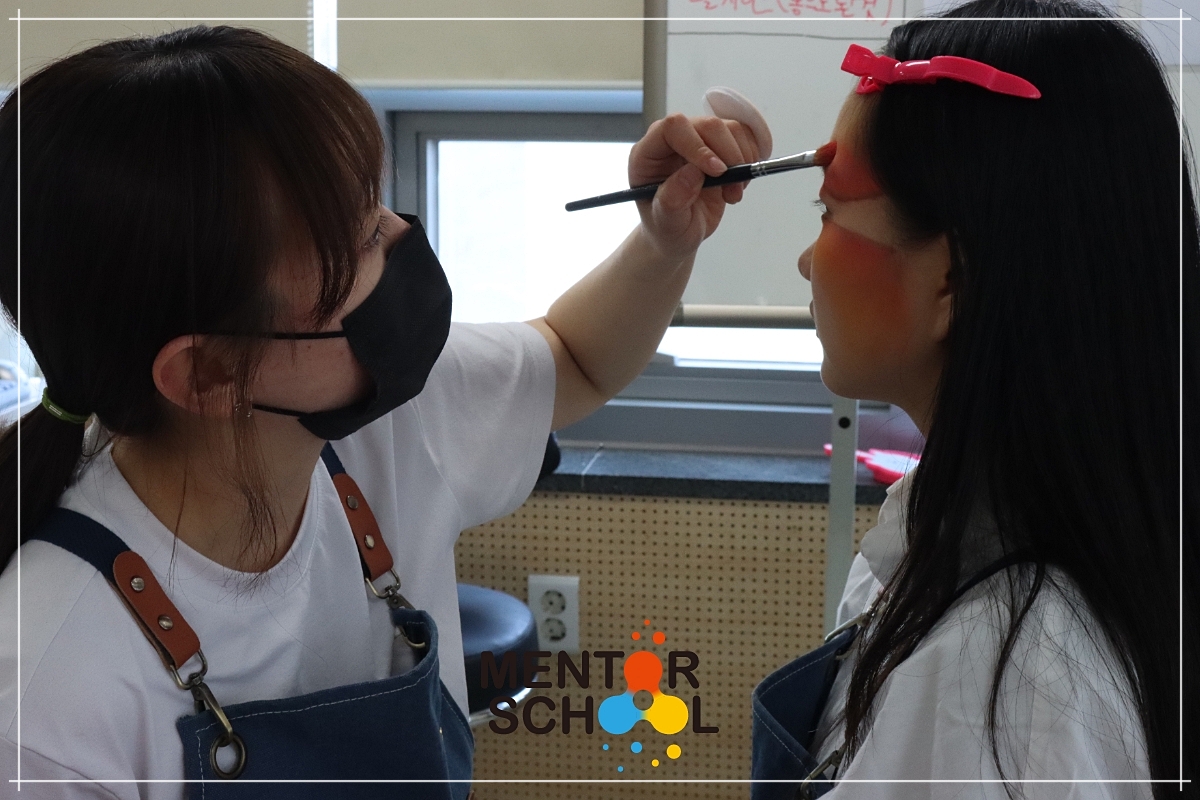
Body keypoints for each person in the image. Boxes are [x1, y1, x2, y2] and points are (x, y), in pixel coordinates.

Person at [0, 25, 764, 799]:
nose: (402, 237)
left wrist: (666, 240)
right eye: (361, 239)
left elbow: (574, 358)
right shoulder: (45, 706)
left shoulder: (376, 422)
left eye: (377, 207)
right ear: (208, 371)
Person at [750, 0, 1197, 798]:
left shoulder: (993, 686)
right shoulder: (1037, 545)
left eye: (829, 212)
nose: (805, 262)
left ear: (950, 278)